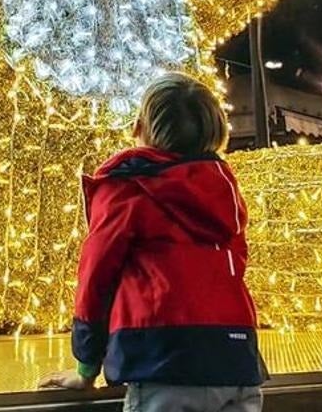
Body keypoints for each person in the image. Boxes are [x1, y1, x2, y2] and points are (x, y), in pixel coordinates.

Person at [39, 72, 265, 411]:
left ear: (139, 126)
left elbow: (96, 278)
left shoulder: (128, 188)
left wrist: (86, 366)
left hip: (163, 361)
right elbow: (237, 265)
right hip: (237, 361)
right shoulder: (223, 191)